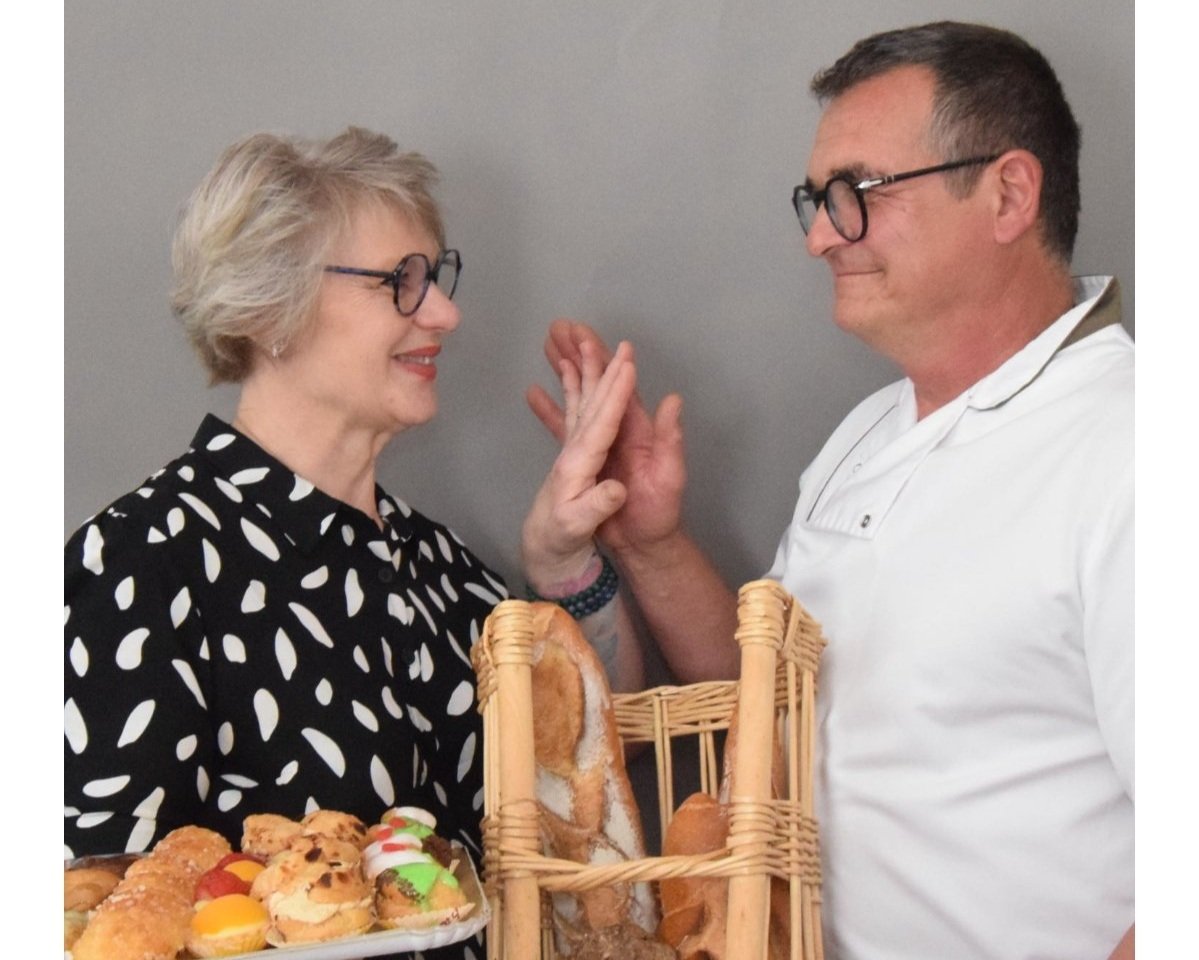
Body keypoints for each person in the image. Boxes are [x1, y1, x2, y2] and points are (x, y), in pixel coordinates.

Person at [522, 21, 1133, 960]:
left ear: (1008, 192)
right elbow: (774, 710)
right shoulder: (864, 434)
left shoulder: (1131, 446)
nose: (817, 237)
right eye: (814, 198)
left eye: (856, 194)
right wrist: (650, 541)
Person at [62, 127, 632, 952]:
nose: (444, 311)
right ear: (269, 311)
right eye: (400, 282)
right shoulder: (138, 563)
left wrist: (563, 564)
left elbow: (588, 752)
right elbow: (111, 919)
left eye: (434, 277)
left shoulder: (437, 565)